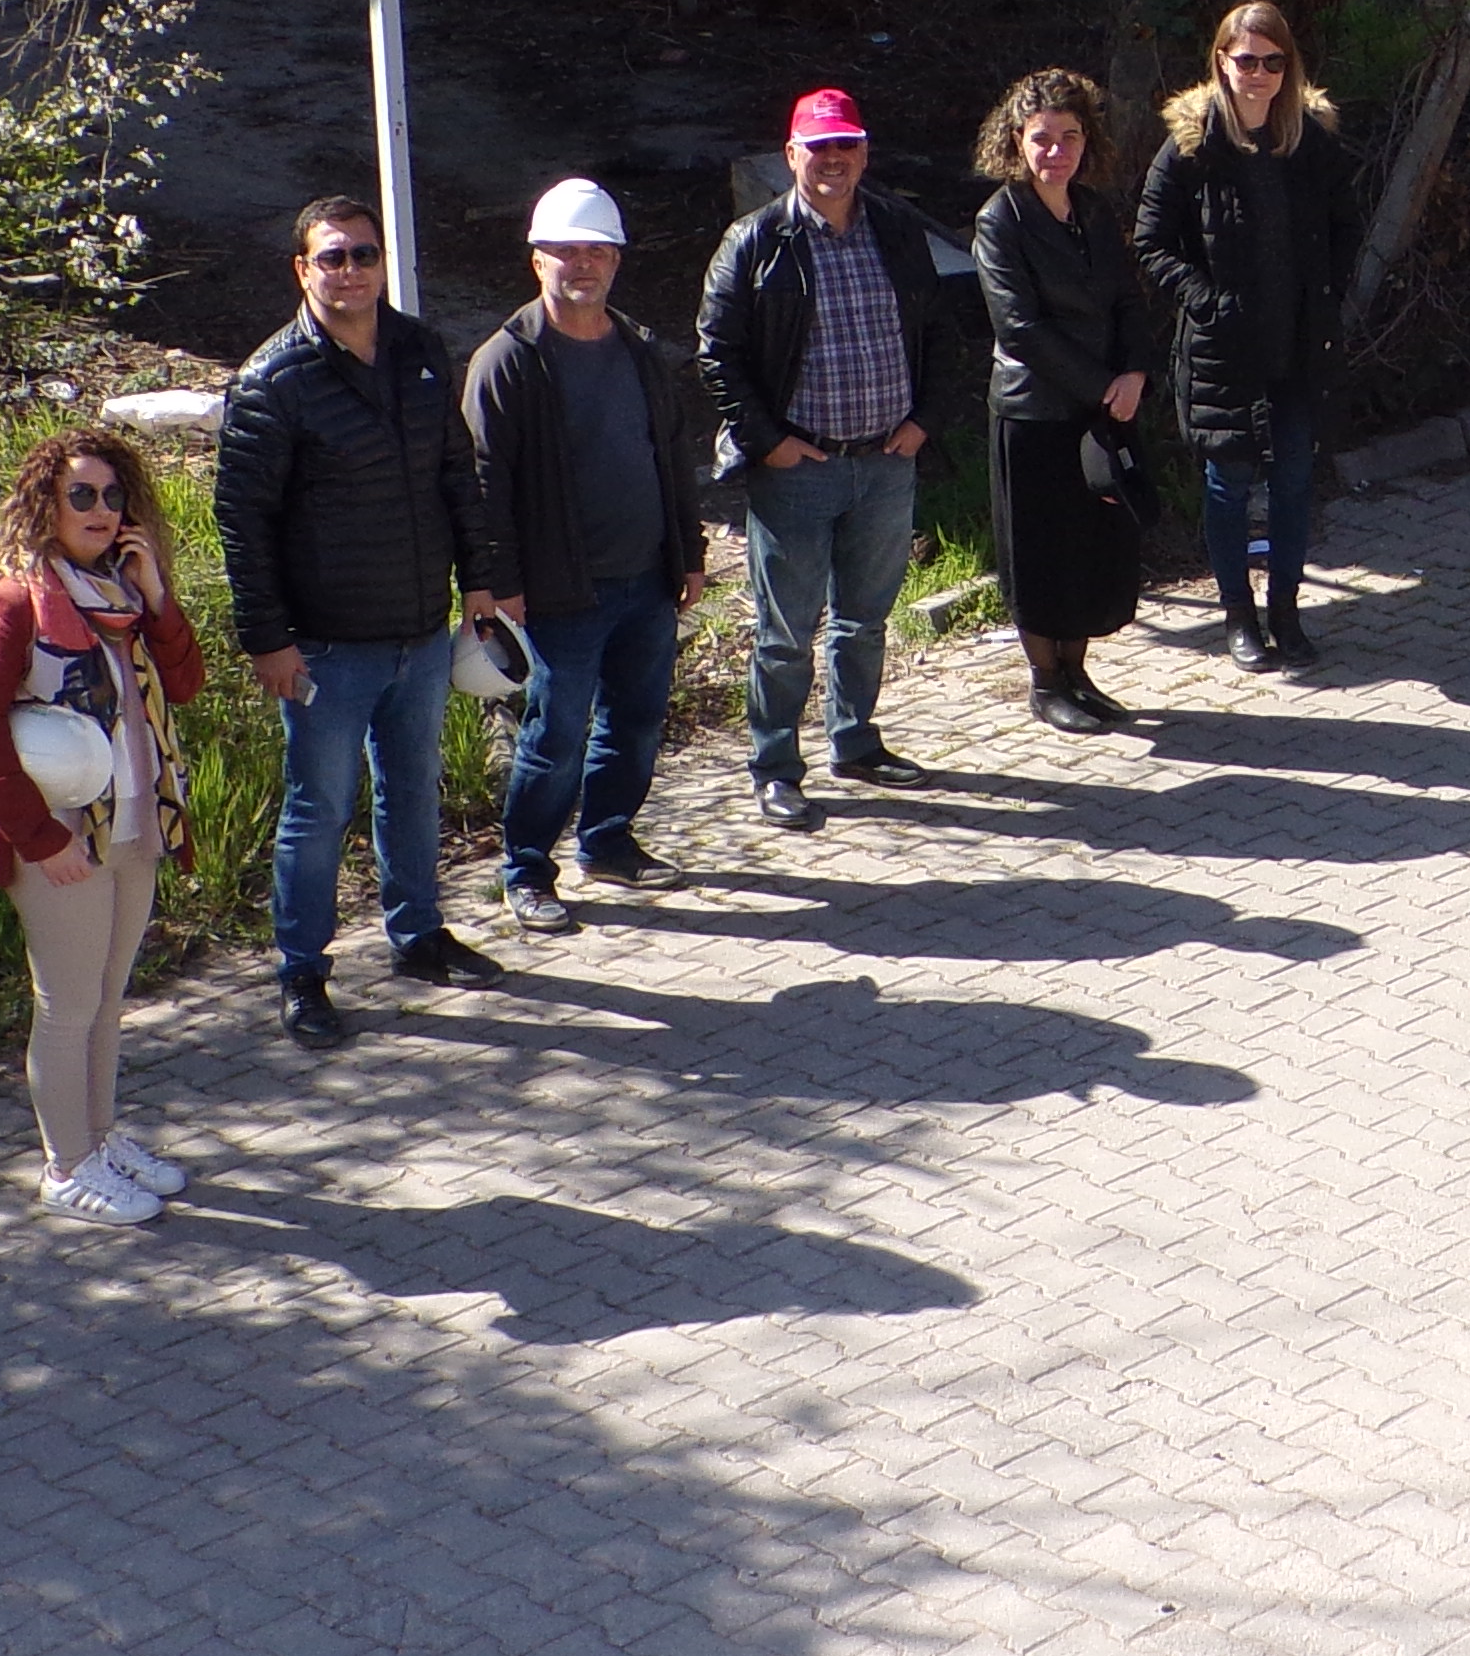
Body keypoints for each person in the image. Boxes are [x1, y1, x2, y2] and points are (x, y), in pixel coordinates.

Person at [215, 196, 514, 1048]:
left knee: (415, 788)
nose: (351, 271)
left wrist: (479, 585)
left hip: (419, 630)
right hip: (323, 648)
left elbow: (457, 473)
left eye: (364, 255)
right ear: (302, 270)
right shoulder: (273, 381)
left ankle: (417, 936)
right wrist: (266, 640)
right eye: (333, 257)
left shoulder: (419, 349)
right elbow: (243, 522)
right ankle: (303, 972)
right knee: (320, 808)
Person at [0, 430, 208, 1221]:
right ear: (45, 508)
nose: (101, 511)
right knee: (66, 1005)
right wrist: (42, 838)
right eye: (81, 497)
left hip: (135, 819)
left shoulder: (126, 595)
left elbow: (188, 684)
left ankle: (98, 1139)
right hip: (61, 834)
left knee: (107, 995)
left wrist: (158, 594)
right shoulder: (15, 601)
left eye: (112, 496)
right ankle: (66, 1169)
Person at [460, 177, 708, 935]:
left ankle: (608, 843)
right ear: (538, 261)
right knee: (554, 737)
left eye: (596, 250)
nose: (582, 264)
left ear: (617, 260)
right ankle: (526, 871)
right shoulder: (507, 360)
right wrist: (497, 584)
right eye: (565, 251)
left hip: (646, 579)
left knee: (635, 722)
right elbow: (481, 481)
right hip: (559, 592)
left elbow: (671, 455)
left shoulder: (637, 348)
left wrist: (688, 554)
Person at [697, 88, 947, 831]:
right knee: (785, 634)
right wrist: (768, 441)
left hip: (885, 464)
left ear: (865, 153)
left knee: (865, 620)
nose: (833, 159)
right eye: (819, 147)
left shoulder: (897, 228)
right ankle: (775, 767)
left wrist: (925, 421)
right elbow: (718, 353)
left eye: (847, 145)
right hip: (797, 473)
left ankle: (856, 742)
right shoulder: (756, 241)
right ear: (792, 157)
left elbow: (939, 331)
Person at [1135, 0, 1364, 672]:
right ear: (1221, 63)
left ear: (1288, 67)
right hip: (1224, 347)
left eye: (1272, 61)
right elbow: (1152, 242)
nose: (1258, 74)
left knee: (1293, 481)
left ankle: (1286, 615)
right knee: (1227, 483)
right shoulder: (1190, 145)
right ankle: (1238, 617)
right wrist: (1207, 301)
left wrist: (1325, 296)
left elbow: (1347, 226)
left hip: (1298, 345)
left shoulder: (1309, 140)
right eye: (1245, 61)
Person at [972, 66, 1154, 733]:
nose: (1056, 152)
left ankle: (1078, 676)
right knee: (1041, 554)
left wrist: (1134, 371)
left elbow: (1128, 299)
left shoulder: (1094, 210)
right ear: (1017, 140)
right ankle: (1045, 683)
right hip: (1035, 412)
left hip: (1100, 413)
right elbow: (1019, 327)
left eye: (1069, 137)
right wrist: (1101, 386)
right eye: (1042, 138)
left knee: (1090, 549)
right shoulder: (1002, 219)